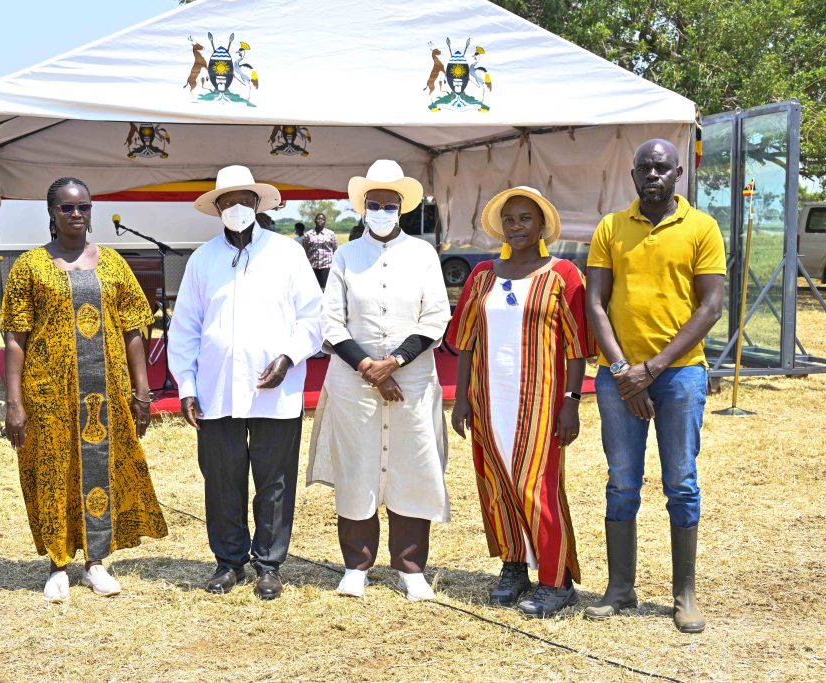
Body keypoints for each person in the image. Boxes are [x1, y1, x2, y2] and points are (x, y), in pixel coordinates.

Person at [0, 177, 167, 602]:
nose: (77, 214)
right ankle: (57, 563)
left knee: (102, 469)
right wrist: (14, 402)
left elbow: (135, 328)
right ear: (52, 213)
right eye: (67, 207)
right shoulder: (30, 266)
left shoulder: (111, 262)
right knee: (53, 472)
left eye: (84, 207)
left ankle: (95, 561)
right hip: (47, 395)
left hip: (106, 395)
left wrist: (142, 392)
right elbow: (15, 337)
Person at [584, 139, 724, 633]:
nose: (653, 175)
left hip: (681, 374)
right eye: (645, 167)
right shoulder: (611, 227)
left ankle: (683, 594)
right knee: (622, 482)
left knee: (681, 482)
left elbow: (710, 307)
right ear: (633, 173)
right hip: (618, 374)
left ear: (678, 173)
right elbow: (595, 304)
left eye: (662, 168)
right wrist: (625, 372)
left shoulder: (702, 228)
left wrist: (654, 368)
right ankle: (620, 588)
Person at [168, 165, 322, 600]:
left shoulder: (287, 253)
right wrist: (186, 386)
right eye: (228, 201)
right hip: (217, 391)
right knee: (222, 479)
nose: (237, 208)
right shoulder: (202, 259)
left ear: (258, 204)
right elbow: (185, 329)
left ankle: (269, 564)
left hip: (276, 388)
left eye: (244, 200)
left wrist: (288, 357)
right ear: (217, 208)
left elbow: (313, 317)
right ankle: (228, 561)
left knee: (274, 481)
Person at [307, 159, 451, 601]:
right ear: (363, 207)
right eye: (376, 203)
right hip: (354, 384)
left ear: (402, 208)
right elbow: (331, 321)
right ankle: (356, 566)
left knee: (412, 466)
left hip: (412, 379)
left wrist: (395, 361)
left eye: (391, 204)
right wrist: (369, 368)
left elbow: (436, 316)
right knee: (358, 469)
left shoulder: (423, 253)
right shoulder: (347, 256)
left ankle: (411, 568)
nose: (383, 210)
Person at [448, 186, 590, 618]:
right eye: (510, 219)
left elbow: (577, 347)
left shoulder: (562, 274)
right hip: (490, 400)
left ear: (542, 224)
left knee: (537, 487)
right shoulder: (483, 276)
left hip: (543, 402)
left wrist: (572, 401)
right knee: (497, 482)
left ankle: (556, 579)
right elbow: (467, 341)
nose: (517, 226)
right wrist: (461, 398)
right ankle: (514, 564)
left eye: (526, 218)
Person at [302, 212, 338, 290]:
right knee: (314, 289)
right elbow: (305, 249)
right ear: (315, 220)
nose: (320, 220)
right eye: (318, 219)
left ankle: (324, 302)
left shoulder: (331, 234)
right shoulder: (308, 234)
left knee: (325, 288)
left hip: (326, 266)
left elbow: (335, 249)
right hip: (313, 266)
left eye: (322, 219)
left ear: (325, 221)